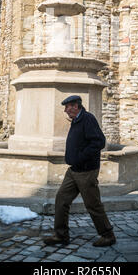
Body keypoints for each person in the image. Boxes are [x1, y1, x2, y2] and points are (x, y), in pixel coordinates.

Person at [43, 95, 116, 247]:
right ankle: (61, 235)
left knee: (92, 204)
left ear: (75, 106)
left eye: (67, 107)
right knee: (61, 199)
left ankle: (107, 235)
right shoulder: (76, 120)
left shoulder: (87, 119)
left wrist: (81, 157)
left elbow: (99, 142)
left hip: (86, 171)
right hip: (73, 170)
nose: (65, 110)